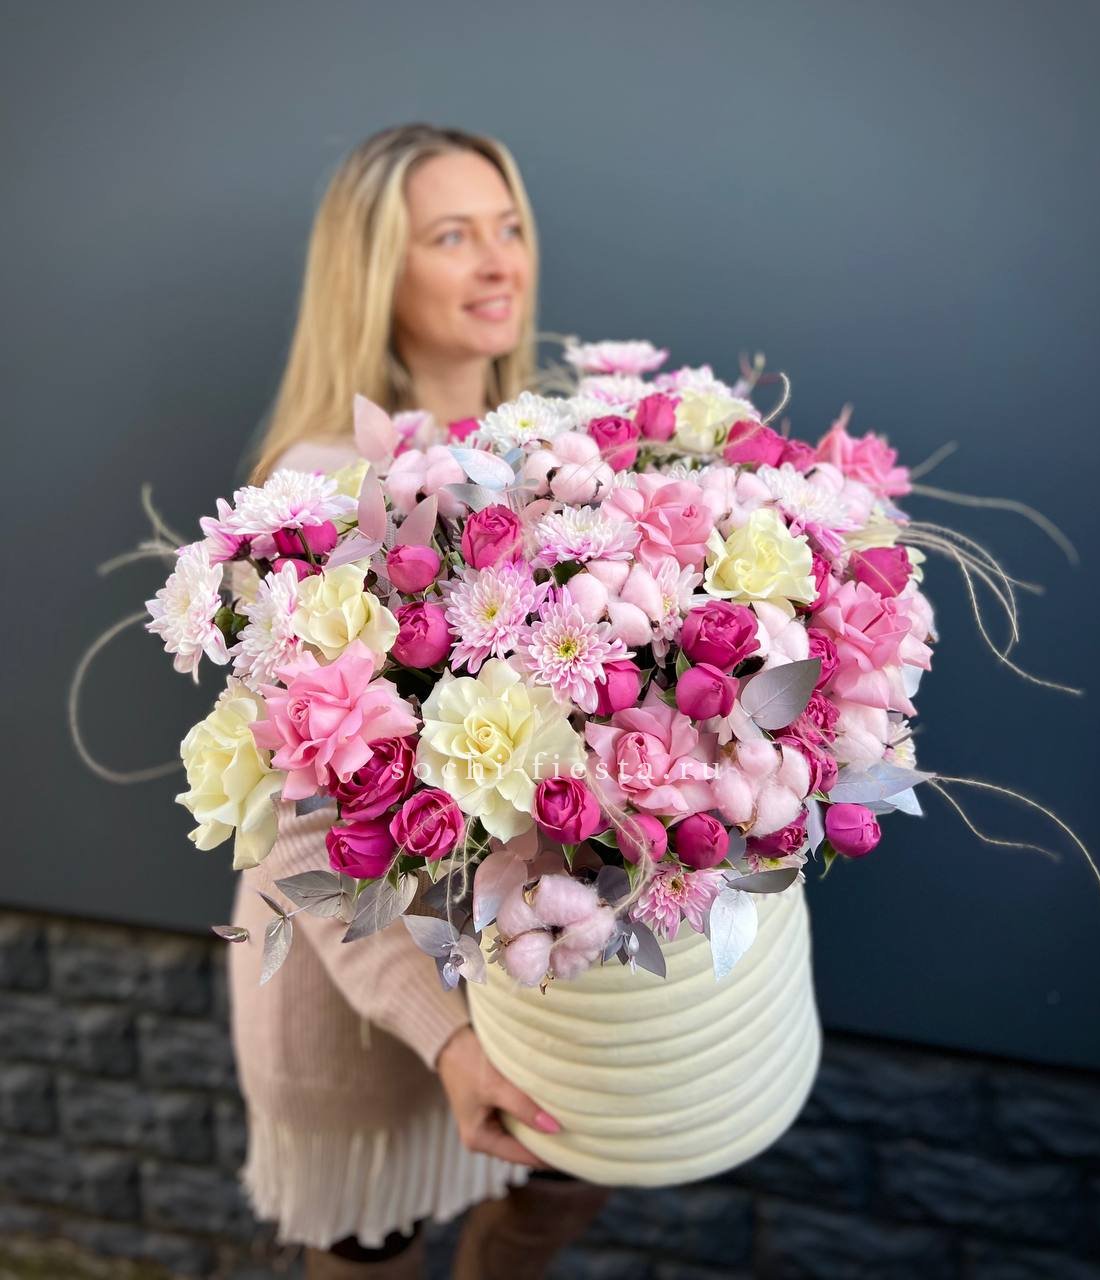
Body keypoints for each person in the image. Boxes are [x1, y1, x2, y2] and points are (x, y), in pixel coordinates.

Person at [227, 125, 612, 1279]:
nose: (500, 262)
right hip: (360, 1004)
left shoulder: (559, 456)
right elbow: (302, 827)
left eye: (510, 227)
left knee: (554, 1199)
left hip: (528, 977)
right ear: (376, 274)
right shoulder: (313, 491)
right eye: (453, 237)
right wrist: (444, 1035)